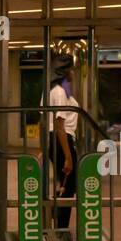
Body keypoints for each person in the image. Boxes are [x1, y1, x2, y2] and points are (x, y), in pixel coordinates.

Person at [44, 55, 79, 229]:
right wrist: (68, 156)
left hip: (57, 140)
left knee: (63, 184)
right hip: (62, 139)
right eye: (71, 69)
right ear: (65, 72)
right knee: (68, 186)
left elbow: (43, 120)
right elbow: (59, 125)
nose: (74, 73)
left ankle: (58, 224)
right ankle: (61, 227)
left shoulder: (57, 90)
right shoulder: (58, 92)